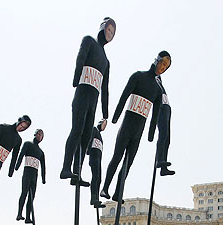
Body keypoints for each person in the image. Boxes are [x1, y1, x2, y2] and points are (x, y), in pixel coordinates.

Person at [100, 52, 169, 201]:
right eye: (162, 64)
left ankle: (118, 192)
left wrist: (151, 134)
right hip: (127, 125)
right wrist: (116, 116)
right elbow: (124, 96)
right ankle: (105, 187)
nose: (162, 68)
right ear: (156, 61)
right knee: (117, 157)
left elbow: (155, 114)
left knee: (128, 162)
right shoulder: (138, 76)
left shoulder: (157, 89)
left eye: (165, 67)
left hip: (139, 131)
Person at [60, 18, 116, 182]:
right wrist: (76, 78)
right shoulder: (89, 41)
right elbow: (80, 58)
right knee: (77, 130)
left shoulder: (106, 61)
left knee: (86, 138)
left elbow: (105, 88)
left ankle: (76, 173)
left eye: (112, 32)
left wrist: (105, 113)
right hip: (83, 93)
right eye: (108, 29)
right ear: (102, 28)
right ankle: (66, 167)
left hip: (93, 100)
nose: (109, 33)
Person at [15, 128, 46, 223]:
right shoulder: (27, 144)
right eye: (38, 134)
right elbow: (21, 155)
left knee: (31, 197)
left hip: (34, 176)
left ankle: (28, 217)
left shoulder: (41, 152)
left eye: (41, 135)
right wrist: (17, 166)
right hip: (27, 173)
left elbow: (43, 167)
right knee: (24, 192)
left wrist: (43, 178)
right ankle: (19, 213)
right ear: (35, 134)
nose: (39, 136)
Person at [87, 119, 107, 208]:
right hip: (94, 156)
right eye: (103, 124)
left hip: (99, 158)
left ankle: (96, 199)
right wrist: (88, 149)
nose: (104, 126)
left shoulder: (101, 137)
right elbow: (90, 139)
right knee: (95, 177)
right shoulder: (94, 129)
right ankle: (93, 197)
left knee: (99, 178)